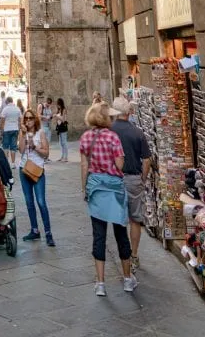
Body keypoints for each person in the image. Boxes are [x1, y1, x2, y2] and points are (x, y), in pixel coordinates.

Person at [80, 101, 137, 296]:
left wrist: (84, 189)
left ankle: (100, 283)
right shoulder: (113, 137)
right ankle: (128, 279)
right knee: (121, 233)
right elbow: (120, 165)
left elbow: (84, 166)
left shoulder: (86, 137)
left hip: (95, 188)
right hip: (114, 189)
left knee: (99, 235)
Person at [110, 96, 151, 270]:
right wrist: (142, 178)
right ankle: (134, 254)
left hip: (115, 179)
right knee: (135, 220)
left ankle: (124, 256)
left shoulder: (110, 131)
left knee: (120, 221)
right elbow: (147, 159)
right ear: (129, 113)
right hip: (134, 179)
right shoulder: (138, 132)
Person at [18, 109, 55, 246]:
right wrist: (22, 134)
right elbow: (21, 150)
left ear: (35, 119)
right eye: (26, 118)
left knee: (41, 202)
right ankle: (34, 230)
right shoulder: (22, 133)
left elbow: (46, 153)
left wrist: (35, 147)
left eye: (30, 118)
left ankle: (48, 232)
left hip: (38, 170)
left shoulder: (41, 133)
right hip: (24, 169)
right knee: (29, 202)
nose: (28, 121)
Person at [0, 96, 22, 167]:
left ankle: (6, 163)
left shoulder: (5, 109)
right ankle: (13, 163)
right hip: (15, 129)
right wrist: (19, 128)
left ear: (7, 102)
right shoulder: (17, 109)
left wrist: (1, 130)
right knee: (13, 147)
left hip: (6, 129)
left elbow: (2, 120)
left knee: (5, 146)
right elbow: (20, 120)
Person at [55, 98, 69, 163]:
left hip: (63, 127)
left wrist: (57, 116)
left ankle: (65, 157)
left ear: (60, 104)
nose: (57, 106)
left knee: (64, 143)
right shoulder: (58, 110)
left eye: (58, 104)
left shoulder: (64, 110)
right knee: (61, 143)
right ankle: (62, 156)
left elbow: (63, 119)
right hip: (59, 128)